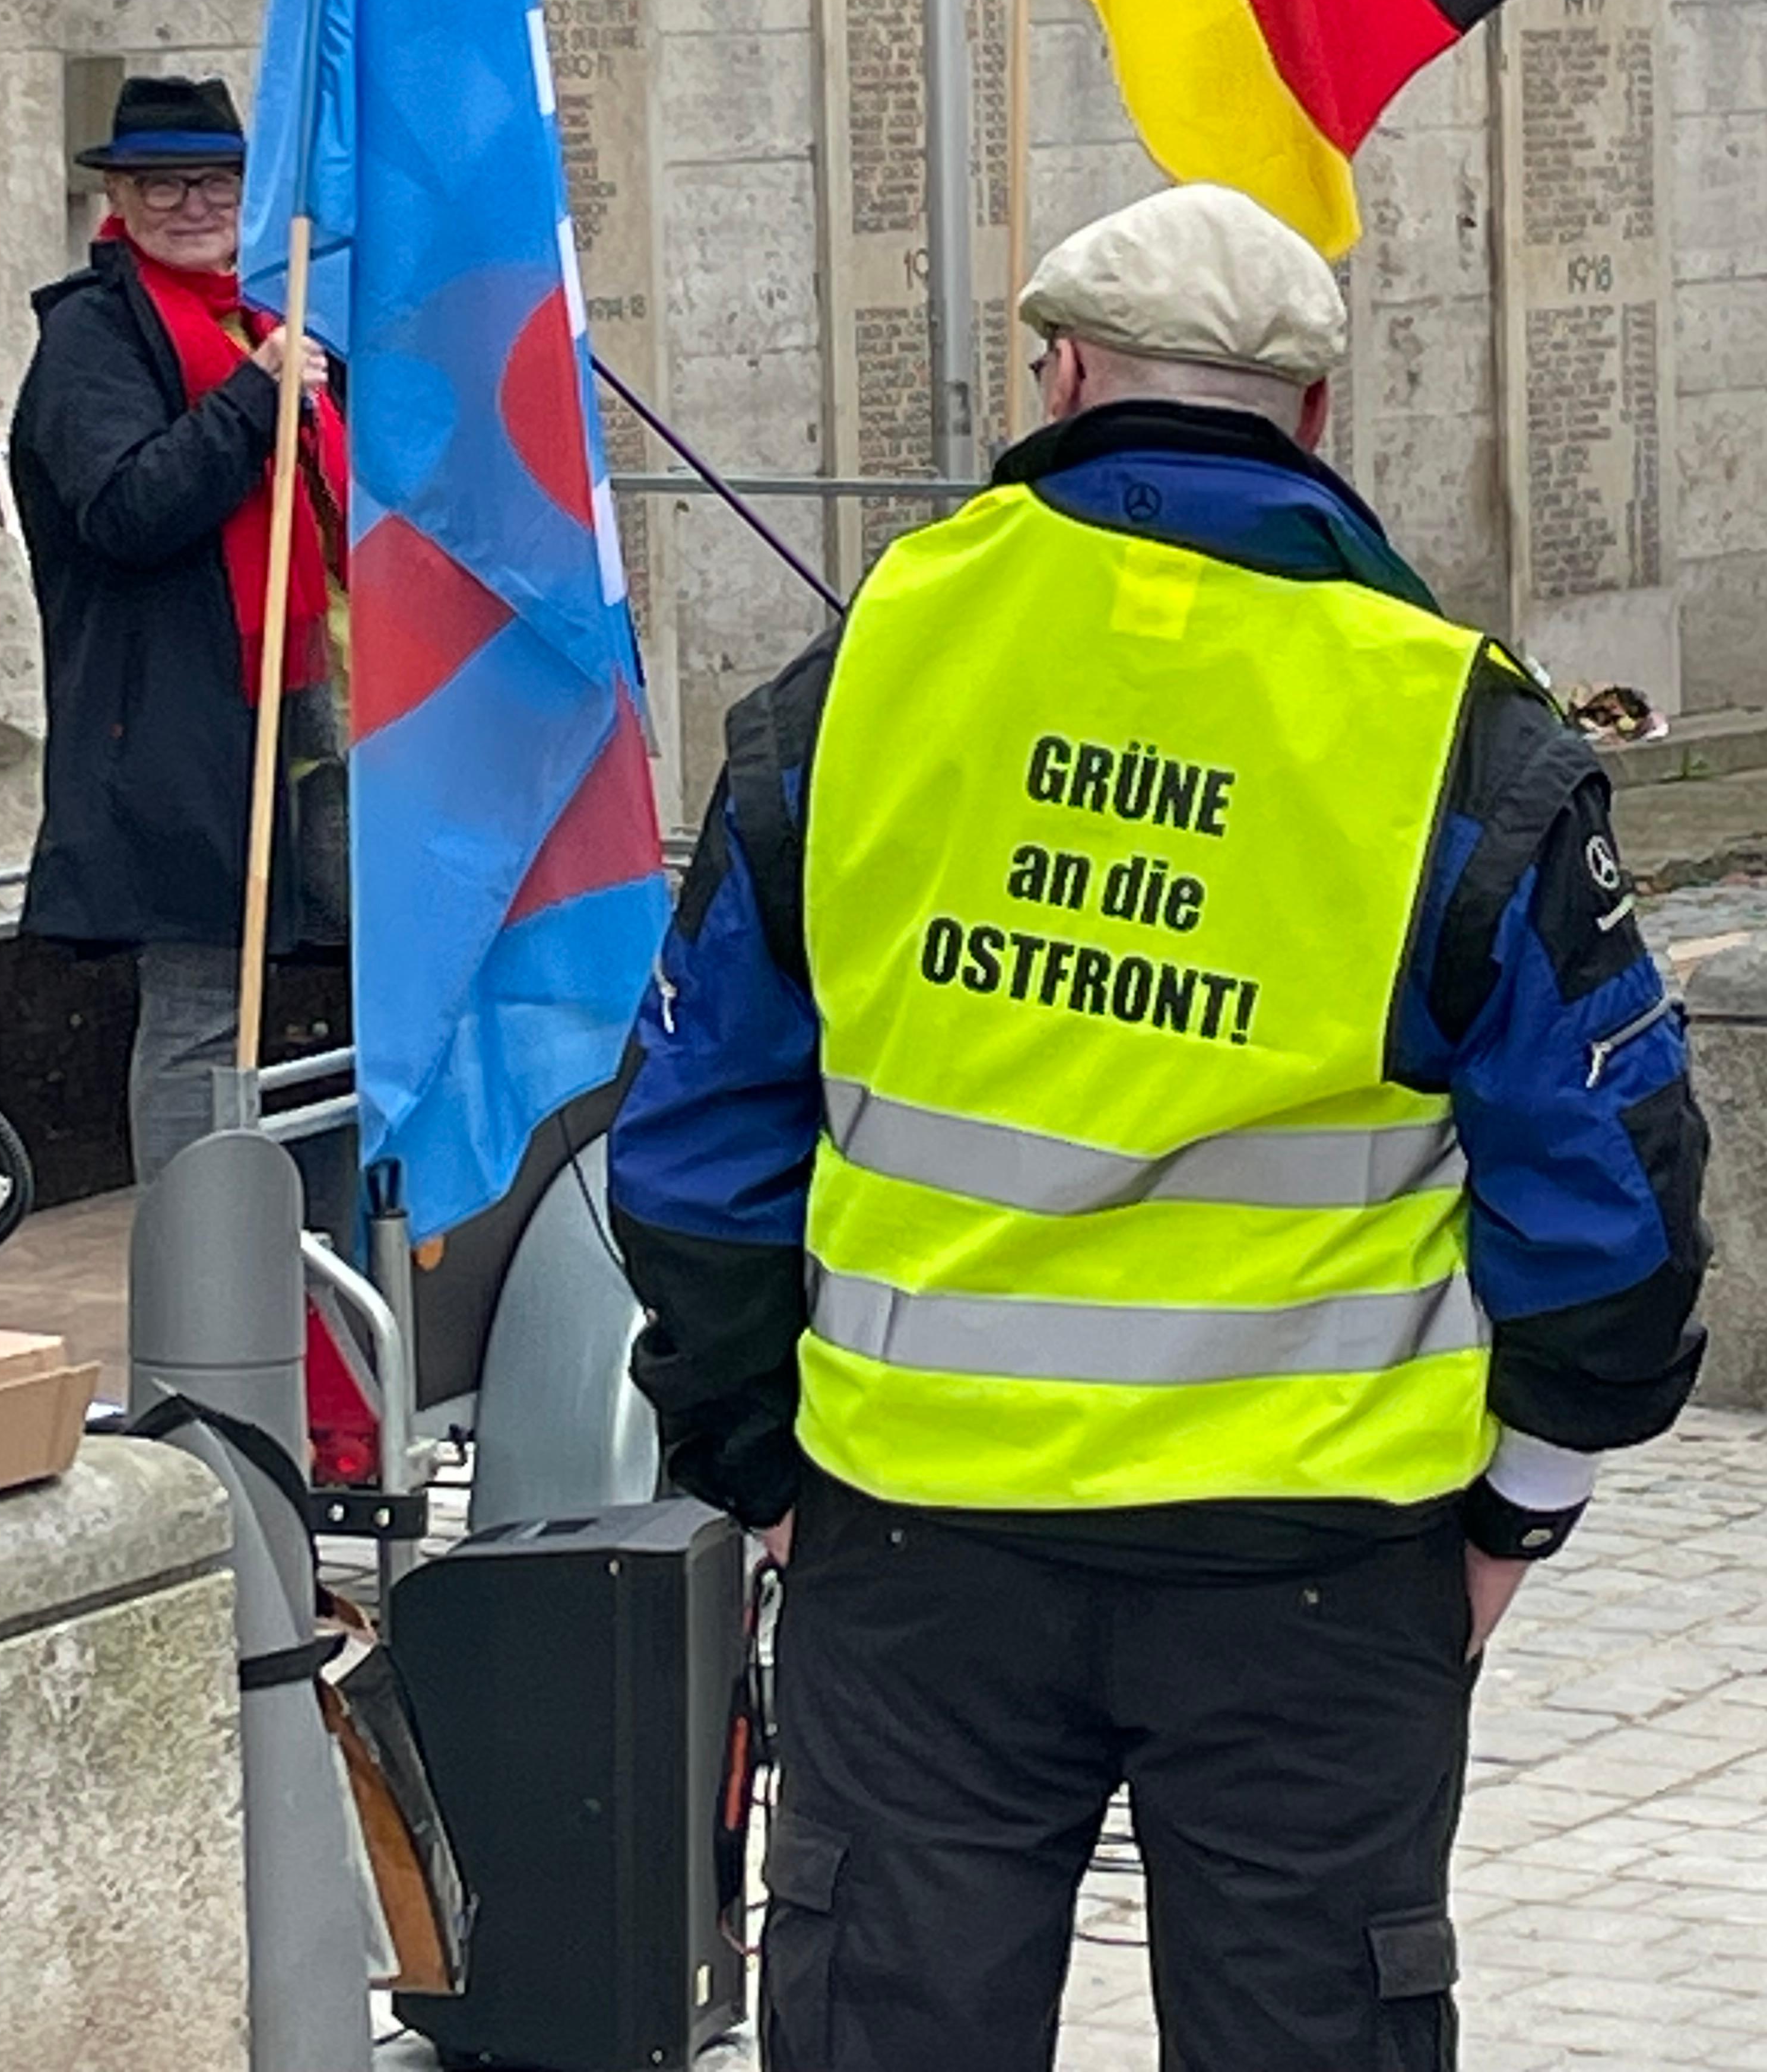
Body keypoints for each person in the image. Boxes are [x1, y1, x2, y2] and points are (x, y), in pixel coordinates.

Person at [608, 185, 1710, 2072]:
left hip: (910, 1538)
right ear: (1314, 421)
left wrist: (749, 1457)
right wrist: (1526, 1503)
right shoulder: (1457, 728)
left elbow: (694, 1144)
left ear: (1058, 378)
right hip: (1319, 1556)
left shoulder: (859, 680)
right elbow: (1612, 1202)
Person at [11, 74, 347, 1186]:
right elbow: (127, 511)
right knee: (202, 1013)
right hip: (174, 736)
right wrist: (255, 404)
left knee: (347, 997)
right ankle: (196, 1297)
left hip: (303, 714)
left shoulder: (267, 321)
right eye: (162, 184)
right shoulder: (93, 341)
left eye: (215, 181)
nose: (192, 203)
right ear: (120, 197)